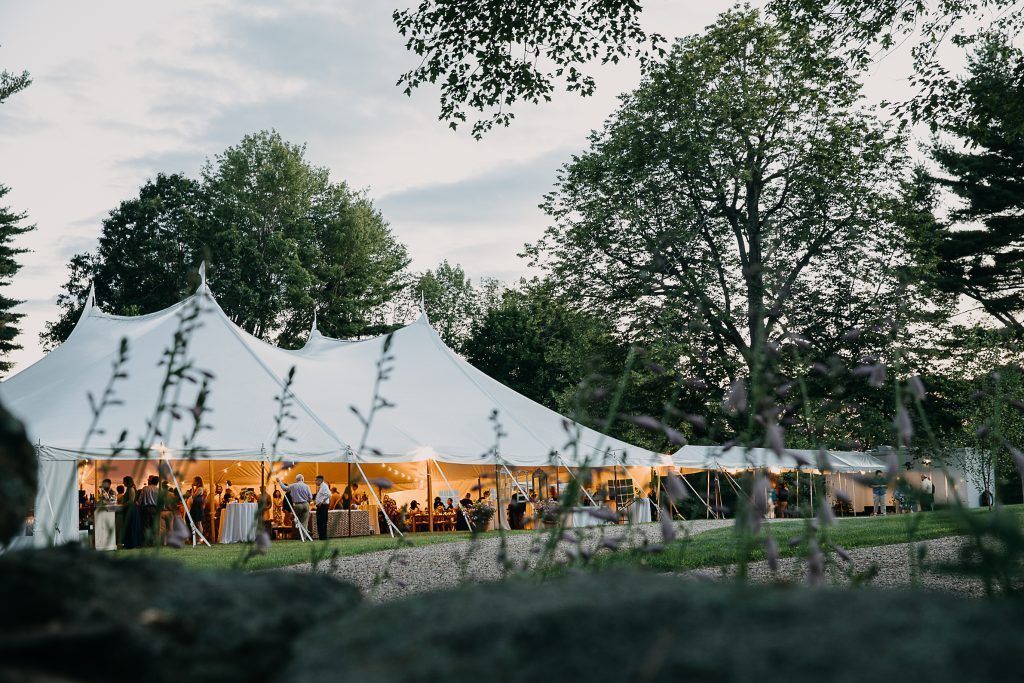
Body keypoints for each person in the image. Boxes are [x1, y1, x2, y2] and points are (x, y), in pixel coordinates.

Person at [139, 475, 160, 546]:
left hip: (146, 509)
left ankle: (147, 542)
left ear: (151, 481)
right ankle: (154, 542)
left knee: (146, 526)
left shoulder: (145, 488)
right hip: (155, 509)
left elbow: (140, 500)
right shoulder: (158, 490)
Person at [314, 474, 331, 540]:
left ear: (320, 480)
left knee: (322, 521)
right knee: (320, 522)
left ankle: (323, 537)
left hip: (323, 506)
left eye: (316, 480)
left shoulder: (324, 486)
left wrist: (321, 502)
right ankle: (321, 536)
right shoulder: (321, 486)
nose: (315, 482)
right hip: (320, 507)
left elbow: (329, 494)